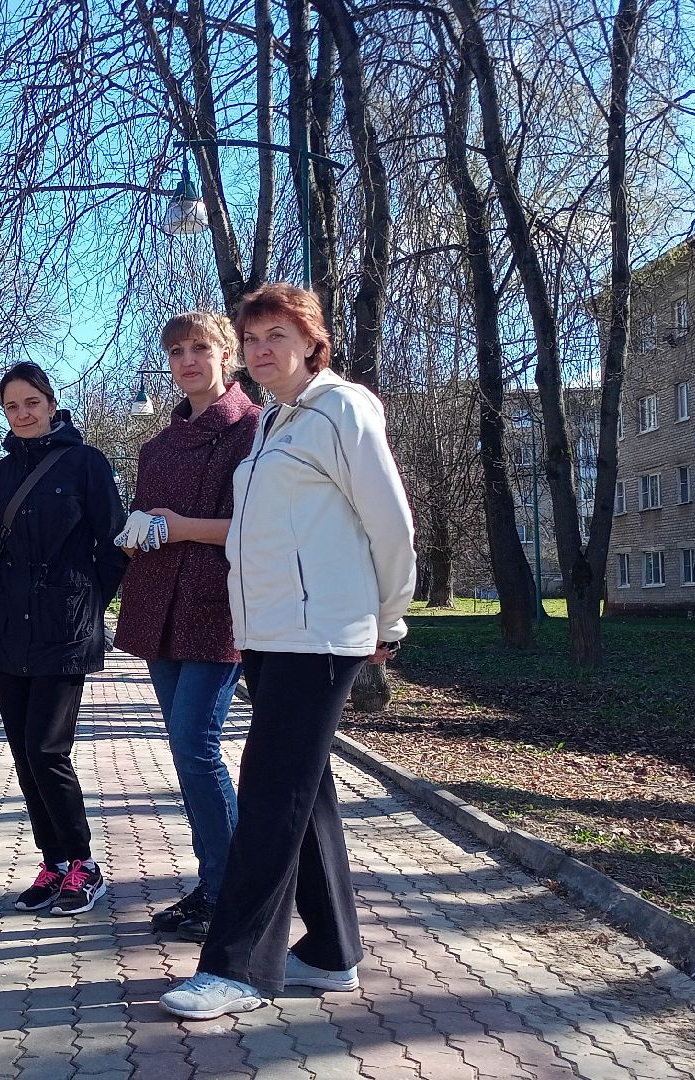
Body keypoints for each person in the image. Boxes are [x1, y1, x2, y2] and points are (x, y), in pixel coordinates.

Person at [160, 283, 416, 1020]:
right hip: (269, 635)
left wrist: (388, 621)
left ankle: (239, 967)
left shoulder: (342, 408)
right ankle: (331, 952)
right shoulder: (273, 419)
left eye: (277, 335)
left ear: (311, 341)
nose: (262, 349)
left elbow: (389, 523)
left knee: (270, 791)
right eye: (253, 338)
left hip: (323, 634)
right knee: (306, 794)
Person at [114, 311, 261, 942]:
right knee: (185, 750)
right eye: (176, 352)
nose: (187, 361)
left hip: (216, 609)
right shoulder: (157, 447)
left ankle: (232, 891)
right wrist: (136, 533)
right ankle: (214, 884)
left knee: (197, 747)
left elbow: (259, 528)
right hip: (157, 607)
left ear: (228, 354)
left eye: (201, 348)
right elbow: (154, 523)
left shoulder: (256, 430)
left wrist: (178, 526)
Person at [0, 361, 127, 916]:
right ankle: (55, 862)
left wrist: (88, 600)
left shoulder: (85, 464)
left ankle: (84, 863)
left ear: (50, 403)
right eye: (12, 407)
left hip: (64, 629)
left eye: (31, 404)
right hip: (8, 632)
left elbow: (115, 544)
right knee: (23, 753)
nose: (22, 415)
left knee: (47, 747)